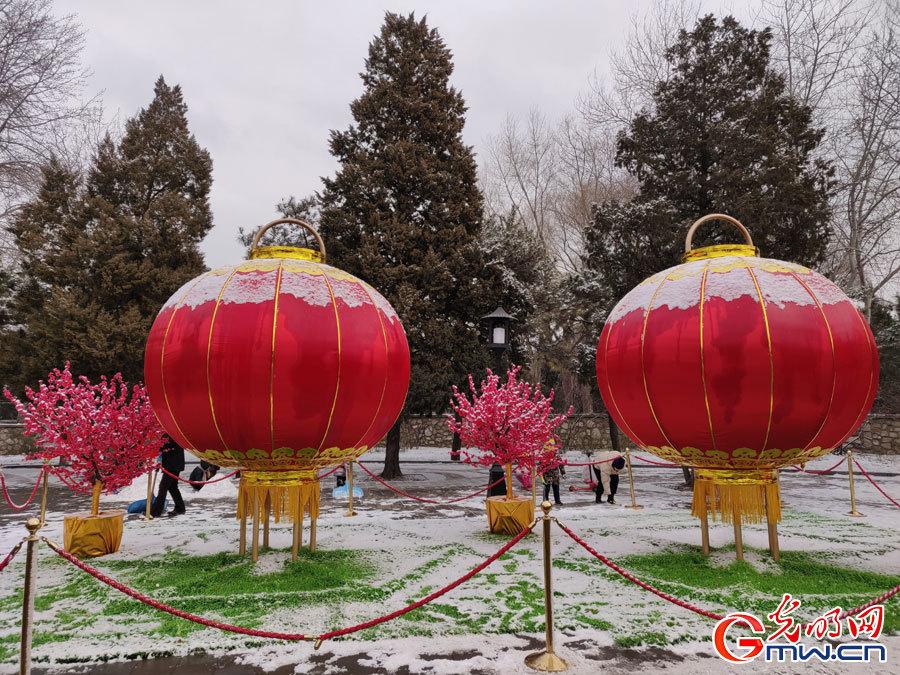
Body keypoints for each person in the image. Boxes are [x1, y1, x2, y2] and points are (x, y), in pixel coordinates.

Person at [151, 435, 186, 517]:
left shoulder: (169, 434)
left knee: (163, 487)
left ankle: (155, 512)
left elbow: (163, 446)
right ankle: (180, 508)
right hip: (174, 464)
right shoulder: (173, 432)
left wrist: (155, 447)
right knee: (172, 487)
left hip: (172, 466)